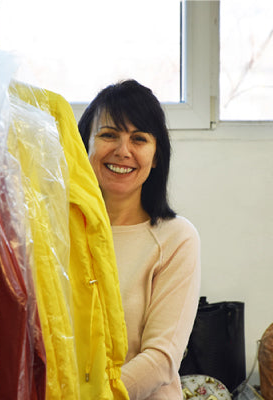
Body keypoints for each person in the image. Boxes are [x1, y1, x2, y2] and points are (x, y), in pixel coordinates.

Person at [78, 79, 201, 400]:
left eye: (139, 139)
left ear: (156, 155)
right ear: (84, 145)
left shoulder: (177, 238)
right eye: (108, 135)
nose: (123, 150)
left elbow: (161, 359)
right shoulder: (56, 232)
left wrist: (91, 397)